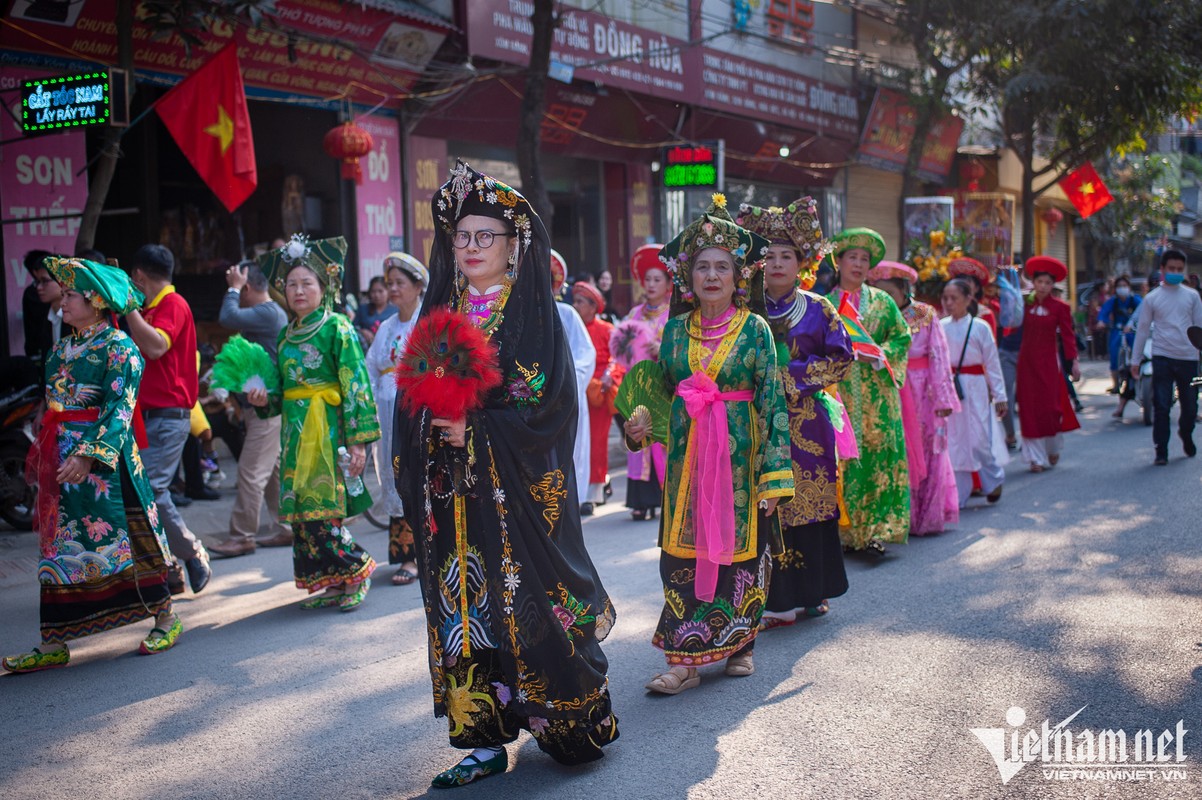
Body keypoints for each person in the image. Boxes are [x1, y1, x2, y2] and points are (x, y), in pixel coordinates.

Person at [393, 161, 618, 786]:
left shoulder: (536, 315)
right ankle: (484, 738)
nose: (469, 247)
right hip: (454, 496)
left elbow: (550, 405)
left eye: (483, 235)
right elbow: (412, 398)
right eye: (460, 237)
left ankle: (567, 719)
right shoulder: (439, 311)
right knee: (465, 605)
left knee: (530, 601)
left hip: (513, 494)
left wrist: (482, 429)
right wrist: (430, 427)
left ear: (514, 242)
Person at [624, 193, 793, 693]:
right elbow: (655, 396)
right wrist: (639, 431)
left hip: (741, 460)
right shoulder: (674, 332)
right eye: (702, 267)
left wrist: (773, 475)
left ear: (740, 277)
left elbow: (771, 402)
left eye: (723, 266)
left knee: (740, 553)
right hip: (687, 461)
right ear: (688, 277)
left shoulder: (757, 330)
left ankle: (740, 643)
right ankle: (685, 658)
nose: (712, 276)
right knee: (681, 551)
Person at [3, 257, 182, 673]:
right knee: (59, 542)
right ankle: (55, 639)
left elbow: (120, 408)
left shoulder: (120, 348)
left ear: (97, 301)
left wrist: (88, 454)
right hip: (61, 458)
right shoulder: (63, 346)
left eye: (69, 295)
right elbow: (56, 402)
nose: (61, 302)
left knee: (132, 535)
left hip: (109, 463)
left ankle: (166, 617)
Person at [737, 198, 853, 626]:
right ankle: (771, 597)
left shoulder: (820, 308)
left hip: (807, 422)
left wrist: (790, 377)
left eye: (787, 255)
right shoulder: (744, 309)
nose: (777, 263)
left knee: (811, 504)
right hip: (758, 422)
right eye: (769, 255)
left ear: (801, 263)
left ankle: (814, 591)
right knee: (768, 504)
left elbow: (842, 357)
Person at [248, 235, 379, 609]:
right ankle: (333, 579)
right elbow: (279, 392)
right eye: (292, 284)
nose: (299, 290)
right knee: (304, 515)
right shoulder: (285, 336)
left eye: (307, 283)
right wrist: (262, 398)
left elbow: (356, 383)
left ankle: (356, 571)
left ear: (325, 287)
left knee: (328, 508)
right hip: (295, 434)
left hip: (330, 430)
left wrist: (358, 441)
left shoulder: (337, 328)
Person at [124, 244, 211, 595]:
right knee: (142, 493)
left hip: (169, 415)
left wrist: (130, 310)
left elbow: (157, 346)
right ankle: (170, 568)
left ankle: (190, 552)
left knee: (152, 491)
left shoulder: (173, 304)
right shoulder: (153, 306)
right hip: (148, 415)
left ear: (139, 277)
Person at [825, 228, 912, 555]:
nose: (858, 264)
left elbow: (902, 337)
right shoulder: (826, 304)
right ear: (840, 262)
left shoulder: (883, 302)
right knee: (842, 459)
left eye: (864, 259)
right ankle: (844, 532)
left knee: (878, 455)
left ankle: (876, 530)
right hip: (841, 393)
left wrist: (881, 353)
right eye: (852, 258)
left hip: (878, 395)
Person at [868, 261, 960, 535]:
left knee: (929, 448)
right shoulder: (879, 315)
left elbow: (939, 356)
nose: (885, 298)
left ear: (903, 289)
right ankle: (901, 517)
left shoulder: (924, 313)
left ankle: (927, 516)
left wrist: (943, 398)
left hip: (924, 391)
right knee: (899, 449)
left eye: (889, 292)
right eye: (879, 291)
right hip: (891, 386)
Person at [207, 263, 290, 558]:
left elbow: (227, 316)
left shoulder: (267, 311)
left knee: (250, 471)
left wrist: (232, 286)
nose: (235, 295)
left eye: (239, 289)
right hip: (263, 406)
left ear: (247, 288)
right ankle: (288, 527)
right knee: (271, 471)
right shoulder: (268, 313)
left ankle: (242, 536)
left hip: (266, 407)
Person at [364, 251, 427, 586]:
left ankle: (421, 556)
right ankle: (406, 553)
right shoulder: (387, 326)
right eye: (390, 284)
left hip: (416, 409)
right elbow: (371, 367)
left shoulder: (426, 321)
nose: (393, 289)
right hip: (388, 413)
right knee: (394, 473)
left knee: (415, 474)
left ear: (418, 286)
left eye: (400, 283)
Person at [1130, 249, 1202, 465]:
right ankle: (1161, 451)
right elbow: (1142, 329)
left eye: (1180, 269)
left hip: (1188, 358)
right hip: (1161, 357)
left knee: (1190, 406)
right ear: (1162, 270)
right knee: (1161, 405)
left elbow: (1199, 328)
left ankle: (1186, 434)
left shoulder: (1192, 296)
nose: (1176, 272)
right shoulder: (1152, 298)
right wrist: (1135, 361)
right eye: (1171, 269)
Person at [941, 279, 1009, 506]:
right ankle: (958, 494)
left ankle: (993, 479)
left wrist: (999, 396)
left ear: (968, 299)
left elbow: (992, 363)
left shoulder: (980, 327)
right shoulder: (941, 326)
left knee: (980, 437)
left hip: (976, 387)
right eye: (946, 298)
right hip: (951, 387)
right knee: (955, 440)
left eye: (954, 298)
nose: (949, 303)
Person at [614, 244, 670, 521]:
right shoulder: (634, 314)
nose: (650, 284)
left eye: (656, 279)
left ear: (668, 284)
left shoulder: (672, 315)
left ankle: (664, 496)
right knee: (637, 438)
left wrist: (660, 349)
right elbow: (621, 346)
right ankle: (640, 500)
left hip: (662, 387)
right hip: (637, 386)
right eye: (647, 279)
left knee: (660, 440)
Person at [1014, 256, 1081, 472]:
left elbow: (1068, 337)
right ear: (1033, 282)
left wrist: (1074, 362)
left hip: (1049, 363)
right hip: (1026, 362)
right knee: (1028, 407)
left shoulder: (1060, 307)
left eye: (1047, 283)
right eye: (1039, 282)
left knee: (1051, 408)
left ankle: (1052, 447)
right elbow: (1009, 323)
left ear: (1053, 285)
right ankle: (1035, 458)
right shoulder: (1023, 303)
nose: (1043, 286)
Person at [550, 249, 598, 514]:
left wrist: (566, 384)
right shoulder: (512, 315)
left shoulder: (566, 313)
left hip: (563, 397)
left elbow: (584, 355)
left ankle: (569, 507)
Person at [573, 280, 618, 515]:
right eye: (576, 301)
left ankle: (594, 492)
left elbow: (616, 358)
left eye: (581, 302)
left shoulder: (607, 329)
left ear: (593, 306)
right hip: (577, 388)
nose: (576, 306)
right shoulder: (570, 327)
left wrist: (608, 377)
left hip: (597, 391)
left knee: (597, 442)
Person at [1098, 275, 1141, 408]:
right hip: (1117, 331)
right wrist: (1101, 322)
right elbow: (1104, 312)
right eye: (1119, 286)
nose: (1122, 289)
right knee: (1114, 353)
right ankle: (1116, 383)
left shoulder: (1135, 300)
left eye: (1125, 286)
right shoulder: (1113, 301)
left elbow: (1144, 311)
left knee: (1137, 352)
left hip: (1132, 332)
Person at [23, 249, 61, 368]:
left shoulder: (78, 317)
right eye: (37, 281)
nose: (39, 287)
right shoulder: (49, 316)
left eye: (45, 281)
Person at [352, 275, 397, 348]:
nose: (376, 295)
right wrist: (362, 331)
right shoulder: (363, 309)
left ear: (388, 292)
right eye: (373, 291)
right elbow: (353, 328)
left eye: (380, 291)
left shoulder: (395, 310)